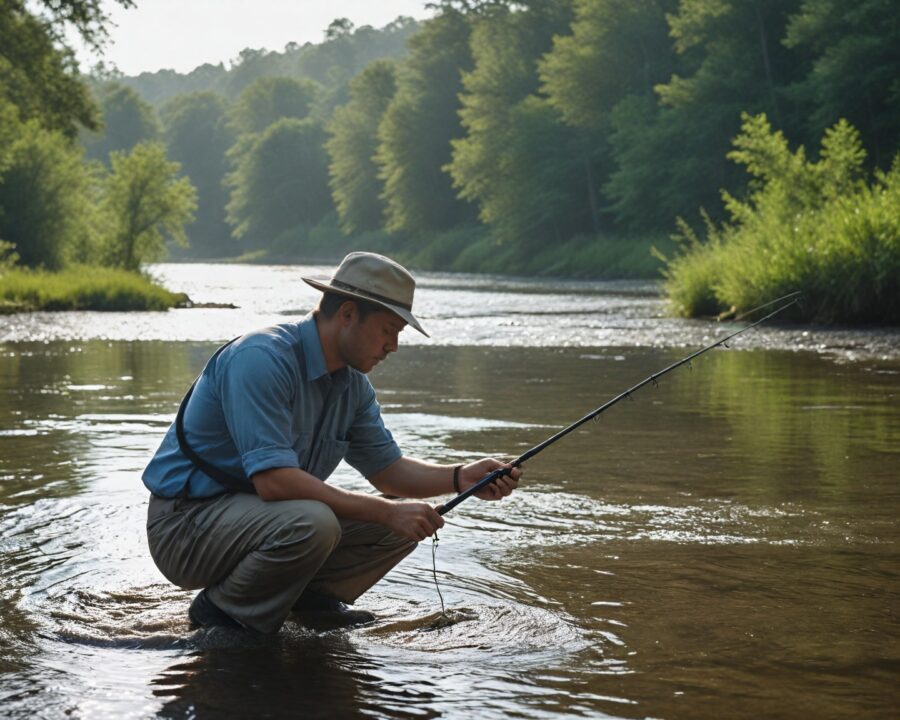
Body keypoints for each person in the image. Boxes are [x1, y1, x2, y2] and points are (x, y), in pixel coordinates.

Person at [142, 252, 520, 634]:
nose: (394, 346)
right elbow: (275, 482)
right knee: (319, 522)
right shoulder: (260, 358)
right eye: (389, 330)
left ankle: (309, 600)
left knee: (408, 516)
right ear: (348, 314)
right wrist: (384, 512)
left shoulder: (352, 386)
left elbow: (389, 473)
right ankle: (223, 612)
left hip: (256, 520)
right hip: (184, 527)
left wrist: (462, 477)